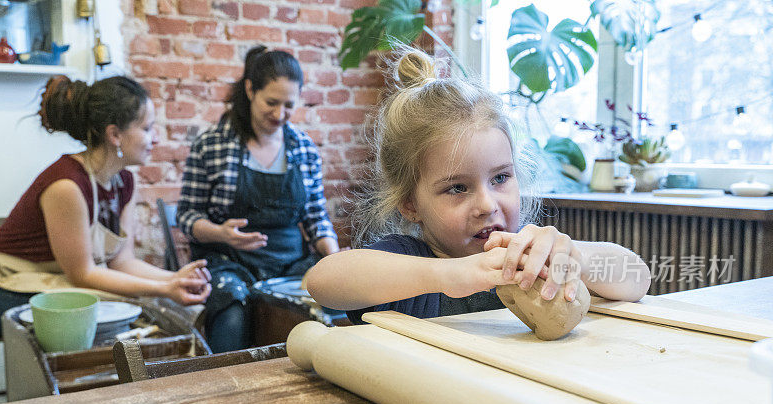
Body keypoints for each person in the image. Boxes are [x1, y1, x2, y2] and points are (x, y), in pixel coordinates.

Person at [305, 48, 651, 322]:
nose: (487, 204)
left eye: (500, 178)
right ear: (410, 204)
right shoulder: (409, 264)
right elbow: (324, 282)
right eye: (457, 188)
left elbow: (637, 276)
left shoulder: (529, 253)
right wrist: (448, 275)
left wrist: (572, 255)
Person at [0, 75, 211, 338]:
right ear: (115, 135)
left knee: (145, 312)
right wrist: (163, 289)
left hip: (53, 282)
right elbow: (82, 274)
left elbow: (123, 262)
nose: (155, 139)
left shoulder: (125, 182)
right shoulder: (67, 184)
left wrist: (174, 279)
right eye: (146, 128)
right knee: (112, 318)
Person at [177, 46, 341, 352]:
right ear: (251, 89)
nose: (280, 115)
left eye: (289, 105)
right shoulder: (211, 145)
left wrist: (335, 259)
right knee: (231, 314)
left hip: (290, 262)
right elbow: (187, 216)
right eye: (271, 102)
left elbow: (317, 217)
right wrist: (220, 233)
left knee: (327, 312)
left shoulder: (303, 148)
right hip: (228, 262)